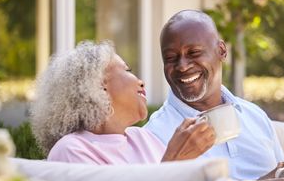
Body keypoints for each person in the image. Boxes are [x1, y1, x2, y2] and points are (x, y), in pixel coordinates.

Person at [143, 9, 284, 181]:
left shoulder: (254, 116)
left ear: (221, 51)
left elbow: (283, 178)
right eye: (171, 57)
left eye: (194, 53)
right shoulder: (155, 134)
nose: (182, 66)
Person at [30, 40, 216, 165]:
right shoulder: (71, 150)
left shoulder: (143, 138)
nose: (141, 81)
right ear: (98, 86)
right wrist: (174, 162)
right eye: (128, 70)